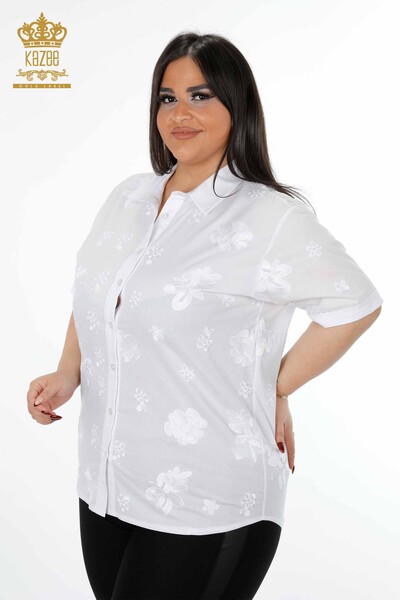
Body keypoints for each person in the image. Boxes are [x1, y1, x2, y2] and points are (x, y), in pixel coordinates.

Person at [26, 31, 383, 600]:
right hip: (107, 484)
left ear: (237, 105)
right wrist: (68, 372)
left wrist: (272, 386)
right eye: (167, 98)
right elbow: (99, 294)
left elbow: (355, 304)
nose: (180, 114)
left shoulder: (268, 218)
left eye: (201, 96)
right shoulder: (128, 198)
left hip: (208, 498)